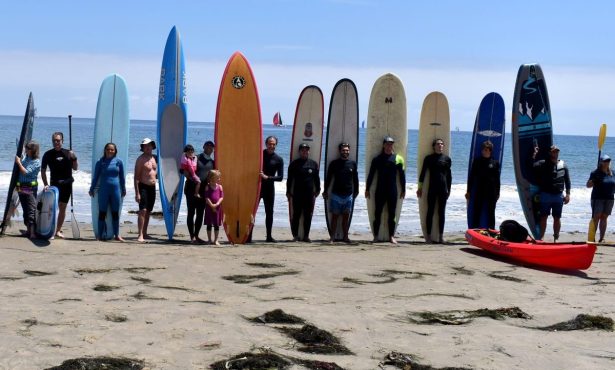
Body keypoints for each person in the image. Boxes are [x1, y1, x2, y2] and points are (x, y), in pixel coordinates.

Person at [366, 136, 406, 244]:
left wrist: (403, 189)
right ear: (384, 145)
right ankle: (376, 236)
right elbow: (371, 175)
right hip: (380, 190)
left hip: (392, 190)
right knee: (377, 213)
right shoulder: (377, 159)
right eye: (387, 144)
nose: (389, 146)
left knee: (392, 214)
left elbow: (402, 176)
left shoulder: (398, 158)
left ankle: (391, 236)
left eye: (391, 144)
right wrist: (367, 189)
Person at [41, 132, 78, 239]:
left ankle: (57, 230)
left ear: (62, 141)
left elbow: (75, 168)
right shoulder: (48, 154)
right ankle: (50, 229)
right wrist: (46, 184)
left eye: (58, 140)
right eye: (54, 140)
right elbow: (43, 171)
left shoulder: (68, 153)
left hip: (67, 184)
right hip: (54, 185)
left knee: (62, 207)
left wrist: (74, 158)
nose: (56, 142)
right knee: (52, 208)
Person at [532, 144, 571, 242]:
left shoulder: (563, 165)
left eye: (557, 151)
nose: (555, 153)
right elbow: (532, 166)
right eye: (553, 151)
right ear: (550, 152)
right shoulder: (543, 163)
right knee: (543, 217)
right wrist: (535, 154)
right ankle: (541, 237)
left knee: (557, 218)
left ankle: (556, 238)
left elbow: (567, 181)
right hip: (546, 195)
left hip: (558, 196)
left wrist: (568, 194)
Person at [89, 143, 126, 241]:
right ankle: (99, 236)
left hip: (116, 190)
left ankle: (117, 235)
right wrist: (91, 188)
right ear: (105, 150)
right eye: (108, 149)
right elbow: (96, 177)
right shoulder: (100, 162)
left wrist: (124, 189)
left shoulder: (119, 162)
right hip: (103, 191)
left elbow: (122, 177)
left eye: (112, 150)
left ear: (115, 151)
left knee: (115, 213)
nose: (110, 151)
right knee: (102, 213)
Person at [417, 138, 452, 243]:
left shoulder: (447, 159)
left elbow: (449, 176)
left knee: (441, 213)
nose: (440, 146)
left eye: (442, 144)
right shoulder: (428, 158)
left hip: (443, 189)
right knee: (430, 212)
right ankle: (428, 236)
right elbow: (422, 174)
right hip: (432, 188)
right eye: (438, 144)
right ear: (434, 146)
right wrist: (420, 188)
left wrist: (449, 189)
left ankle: (441, 236)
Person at [323, 142, 359, 243]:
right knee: (334, 217)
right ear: (340, 151)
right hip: (336, 194)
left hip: (348, 194)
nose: (345, 152)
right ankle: (332, 237)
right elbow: (329, 178)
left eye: (347, 150)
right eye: (343, 150)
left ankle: (345, 237)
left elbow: (355, 179)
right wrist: (325, 190)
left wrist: (356, 190)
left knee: (345, 218)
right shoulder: (334, 164)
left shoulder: (352, 164)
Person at [287, 143, 321, 242]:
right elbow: (290, 179)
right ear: (299, 151)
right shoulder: (294, 164)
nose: (304, 152)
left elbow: (316, 178)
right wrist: (288, 191)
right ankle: (295, 236)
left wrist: (318, 189)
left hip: (309, 194)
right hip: (297, 194)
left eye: (306, 150)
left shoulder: (313, 164)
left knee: (308, 215)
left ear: (309, 151)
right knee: (296, 215)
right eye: (302, 150)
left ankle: (306, 236)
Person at [184, 140, 215, 244]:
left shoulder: (212, 162)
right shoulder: (195, 158)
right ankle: (192, 237)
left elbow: (214, 177)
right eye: (208, 146)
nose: (209, 148)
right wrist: (192, 179)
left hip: (203, 192)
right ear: (203, 147)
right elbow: (184, 170)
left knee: (200, 214)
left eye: (211, 147)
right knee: (191, 213)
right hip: (191, 189)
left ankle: (196, 236)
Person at [465, 140, 501, 229]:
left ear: (490, 151)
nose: (484, 151)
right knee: (477, 211)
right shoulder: (477, 162)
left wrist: (498, 193)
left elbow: (497, 179)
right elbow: (471, 177)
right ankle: (475, 230)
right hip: (479, 190)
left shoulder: (495, 163)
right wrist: (468, 191)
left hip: (491, 191)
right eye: (483, 150)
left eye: (486, 150)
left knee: (491, 212)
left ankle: (492, 230)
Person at [259, 136, 284, 242]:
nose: (271, 146)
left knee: (269, 212)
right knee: (252, 212)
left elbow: (280, 177)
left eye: (273, 144)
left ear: (276, 145)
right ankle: (248, 235)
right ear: (266, 143)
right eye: (270, 143)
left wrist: (267, 177)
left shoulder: (278, 159)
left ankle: (269, 236)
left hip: (269, 188)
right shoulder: (260, 155)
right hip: (257, 187)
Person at [15, 141, 41, 239]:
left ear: (33, 150)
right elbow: (22, 158)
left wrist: (18, 162)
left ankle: (33, 232)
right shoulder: (26, 158)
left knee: (31, 209)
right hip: (20, 186)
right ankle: (28, 230)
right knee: (25, 210)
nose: (26, 150)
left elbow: (25, 172)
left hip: (29, 187)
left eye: (28, 148)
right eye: (26, 148)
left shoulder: (36, 162)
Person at [587, 154, 615, 243]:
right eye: (605, 161)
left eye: (608, 161)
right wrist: (594, 180)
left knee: (604, 217)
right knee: (596, 217)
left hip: (609, 198)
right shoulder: (595, 173)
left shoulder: (613, 172)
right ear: (601, 162)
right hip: (597, 198)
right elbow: (588, 185)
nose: (607, 162)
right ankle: (592, 237)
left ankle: (602, 238)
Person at [134, 138, 157, 242]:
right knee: (142, 210)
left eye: (149, 145)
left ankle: (145, 233)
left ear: (152, 146)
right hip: (143, 186)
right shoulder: (140, 159)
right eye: (145, 146)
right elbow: (136, 177)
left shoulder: (154, 158)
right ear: (142, 148)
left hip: (152, 188)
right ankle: (140, 235)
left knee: (148, 211)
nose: (147, 147)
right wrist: (137, 193)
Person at [204, 169, 224, 245]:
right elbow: (206, 197)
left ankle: (216, 240)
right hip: (209, 207)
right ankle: (209, 239)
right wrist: (212, 205)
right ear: (212, 178)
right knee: (209, 224)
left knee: (216, 224)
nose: (219, 179)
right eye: (217, 177)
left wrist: (217, 204)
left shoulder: (220, 187)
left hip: (217, 208)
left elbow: (221, 197)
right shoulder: (207, 187)